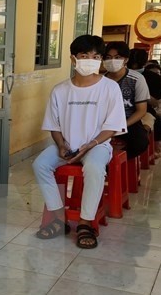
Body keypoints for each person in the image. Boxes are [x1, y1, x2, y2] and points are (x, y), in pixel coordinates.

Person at [33, 35, 126, 249]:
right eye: (85, 55)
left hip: (97, 145)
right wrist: (61, 145)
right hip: (66, 145)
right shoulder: (60, 90)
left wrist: (90, 144)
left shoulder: (109, 88)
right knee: (39, 165)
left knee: (93, 168)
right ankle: (59, 217)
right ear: (74, 59)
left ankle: (85, 223)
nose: (91, 60)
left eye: (96, 56)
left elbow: (112, 127)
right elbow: (54, 125)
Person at [104, 41, 150, 159]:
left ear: (125, 60)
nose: (112, 61)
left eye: (117, 57)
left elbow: (141, 110)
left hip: (128, 121)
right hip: (104, 122)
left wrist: (122, 126)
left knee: (139, 143)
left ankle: (115, 164)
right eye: (108, 57)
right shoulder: (101, 80)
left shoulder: (137, 79)